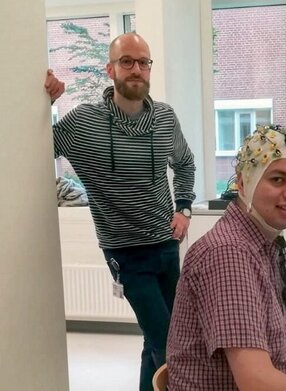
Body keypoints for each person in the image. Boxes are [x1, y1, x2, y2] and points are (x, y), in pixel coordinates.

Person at [44, 32, 196, 391]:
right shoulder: (84, 123)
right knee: (170, 347)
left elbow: (185, 162)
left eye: (143, 62)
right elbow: (34, 145)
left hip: (166, 246)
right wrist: (44, 103)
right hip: (125, 253)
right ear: (110, 69)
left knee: (158, 338)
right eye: (127, 61)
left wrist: (185, 207)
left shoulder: (164, 117)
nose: (136, 69)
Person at [166, 124, 286, 391]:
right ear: (244, 183)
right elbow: (256, 381)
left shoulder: (266, 244)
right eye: (278, 179)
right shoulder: (229, 254)